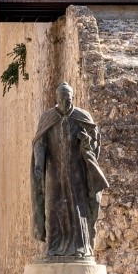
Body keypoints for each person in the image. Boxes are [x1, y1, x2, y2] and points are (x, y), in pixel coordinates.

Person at [31, 82, 109, 258]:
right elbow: (39, 142)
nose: (67, 102)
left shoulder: (82, 116)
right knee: (53, 207)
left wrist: (87, 141)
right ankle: (53, 247)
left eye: (69, 99)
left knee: (77, 207)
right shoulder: (48, 117)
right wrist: (39, 164)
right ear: (57, 99)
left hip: (76, 170)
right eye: (63, 99)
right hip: (54, 170)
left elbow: (94, 142)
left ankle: (80, 247)